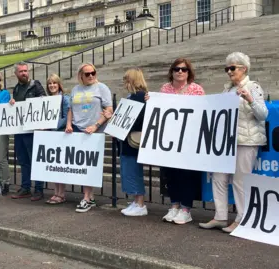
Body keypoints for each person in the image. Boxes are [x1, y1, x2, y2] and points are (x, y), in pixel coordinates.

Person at [199, 52, 268, 233]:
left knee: (239, 180)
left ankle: (242, 218)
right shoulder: (227, 89)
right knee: (219, 177)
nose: (229, 72)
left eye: (232, 68)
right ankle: (221, 216)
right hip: (226, 142)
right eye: (227, 69)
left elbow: (263, 114)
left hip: (246, 140)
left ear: (243, 69)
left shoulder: (253, 87)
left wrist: (250, 100)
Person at [146, 58, 205, 224]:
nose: (180, 72)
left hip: (188, 140)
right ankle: (174, 205)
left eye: (184, 69)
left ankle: (186, 209)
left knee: (186, 174)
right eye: (177, 69)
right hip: (168, 138)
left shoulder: (196, 89)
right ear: (171, 71)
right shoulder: (165, 89)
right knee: (170, 174)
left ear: (188, 72)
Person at [65, 63, 113, 213]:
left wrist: (96, 126)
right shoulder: (75, 89)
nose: (91, 75)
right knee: (81, 165)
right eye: (87, 74)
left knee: (88, 165)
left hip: (94, 131)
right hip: (78, 129)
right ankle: (90, 197)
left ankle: (86, 198)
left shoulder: (102, 88)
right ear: (81, 76)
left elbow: (109, 110)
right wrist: (68, 124)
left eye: (93, 72)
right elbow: (71, 109)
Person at [104, 68, 148, 216]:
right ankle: (136, 201)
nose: (124, 82)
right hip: (127, 140)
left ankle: (140, 203)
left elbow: (139, 120)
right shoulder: (133, 96)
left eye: (126, 79)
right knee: (129, 171)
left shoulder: (140, 96)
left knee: (133, 171)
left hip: (132, 139)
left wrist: (119, 122)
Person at [9, 62, 47, 201]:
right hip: (19, 130)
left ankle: (38, 189)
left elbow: (44, 100)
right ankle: (25, 187)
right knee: (23, 160)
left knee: (35, 160)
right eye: (21, 71)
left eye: (26, 71)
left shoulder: (35, 85)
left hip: (32, 130)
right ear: (16, 74)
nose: (24, 73)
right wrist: (12, 102)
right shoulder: (17, 88)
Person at [44, 74, 71, 205]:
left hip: (60, 134)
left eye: (54, 83)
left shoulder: (65, 99)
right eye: (50, 83)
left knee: (60, 165)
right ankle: (56, 192)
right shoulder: (47, 100)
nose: (52, 85)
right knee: (53, 165)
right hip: (50, 135)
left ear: (59, 84)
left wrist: (52, 125)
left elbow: (66, 117)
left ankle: (62, 193)